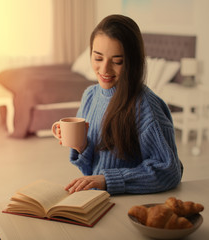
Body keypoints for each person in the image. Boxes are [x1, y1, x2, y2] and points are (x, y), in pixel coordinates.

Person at [53, 14, 183, 195]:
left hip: (129, 206)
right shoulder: (90, 96)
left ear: (133, 62)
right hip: (99, 199)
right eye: (98, 58)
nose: (105, 70)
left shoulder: (146, 107)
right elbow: (93, 168)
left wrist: (107, 179)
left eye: (117, 61)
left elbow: (169, 172)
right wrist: (81, 145)